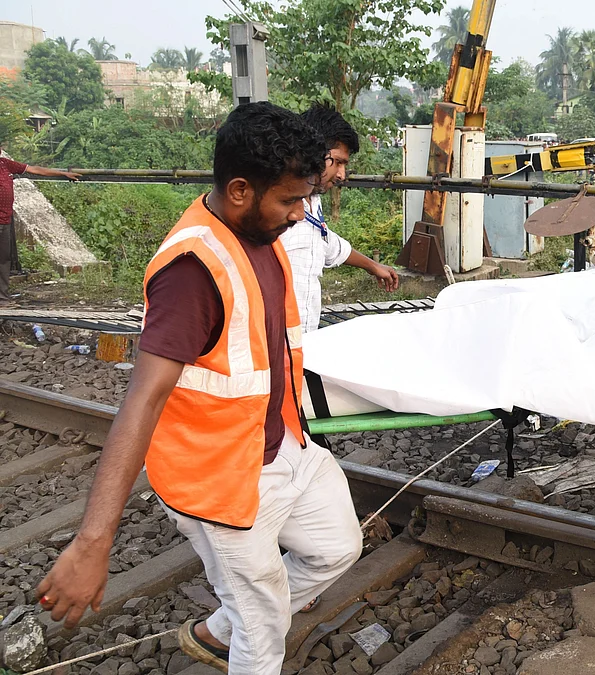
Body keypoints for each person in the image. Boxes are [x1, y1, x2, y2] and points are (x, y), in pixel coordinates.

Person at [36, 103, 363, 673]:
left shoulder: (262, 231)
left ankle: (218, 632)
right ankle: (243, 632)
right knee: (263, 633)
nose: (300, 214)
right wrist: (92, 543)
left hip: (281, 443)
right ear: (240, 190)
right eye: (290, 200)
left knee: (338, 547)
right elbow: (142, 400)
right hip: (219, 476)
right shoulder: (192, 272)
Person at [282, 105, 399, 334]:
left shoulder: (313, 200)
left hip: (304, 337)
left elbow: (327, 242)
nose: (342, 175)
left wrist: (372, 266)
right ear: (312, 152)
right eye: (337, 162)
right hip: (274, 341)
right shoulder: (278, 209)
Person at [0, 153, 81, 306]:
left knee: (3, 261)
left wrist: (63, 173)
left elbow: (35, 169)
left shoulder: (5, 164)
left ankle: (2, 299)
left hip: (4, 221)